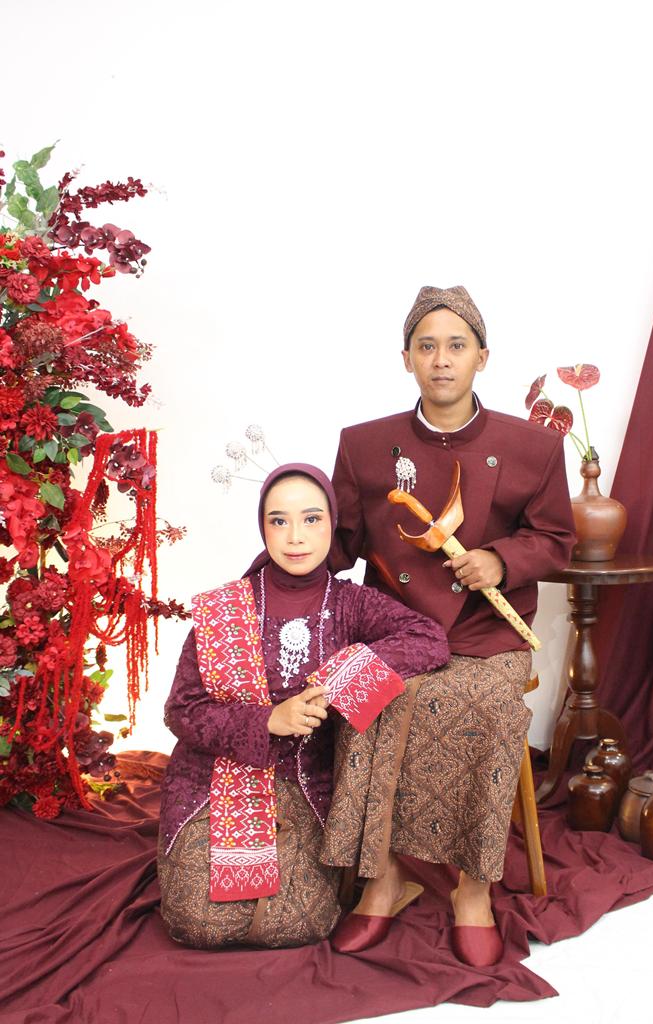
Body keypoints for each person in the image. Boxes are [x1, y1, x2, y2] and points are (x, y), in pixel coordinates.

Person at [326, 285, 575, 967]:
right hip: (393, 630)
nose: (441, 359)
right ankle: (383, 878)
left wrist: (502, 559)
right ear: (406, 357)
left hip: (485, 636)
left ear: (481, 358)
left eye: (456, 346)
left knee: (486, 707)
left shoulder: (532, 447)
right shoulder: (363, 444)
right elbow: (341, 546)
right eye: (427, 346)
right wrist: (291, 536)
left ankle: (472, 888)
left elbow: (557, 539)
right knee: (358, 698)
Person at [157, 464, 449, 949]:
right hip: (212, 780)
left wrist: (339, 681)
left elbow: (428, 639)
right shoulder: (225, 609)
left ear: (333, 524)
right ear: (263, 527)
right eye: (279, 520)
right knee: (200, 924)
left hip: (305, 784)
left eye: (311, 519)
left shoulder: (352, 604)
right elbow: (181, 710)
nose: (295, 536)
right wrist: (268, 720)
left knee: (296, 924)